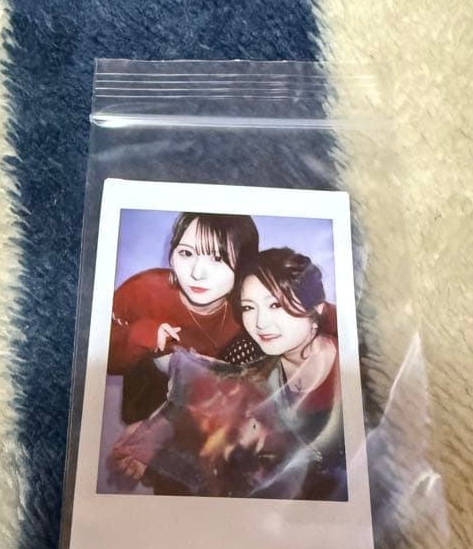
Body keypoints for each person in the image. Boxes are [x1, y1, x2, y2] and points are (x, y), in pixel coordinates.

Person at [110, 248, 347, 501]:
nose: (260, 323)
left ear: (316, 308)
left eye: (275, 305)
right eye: (248, 307)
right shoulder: (247, 354)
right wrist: (150, 437)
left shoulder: (355, 366)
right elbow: (204, 404)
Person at [108, 212, 259, 423]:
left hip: (213, 421)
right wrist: (142, 334)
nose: (197, 273)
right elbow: (100, 356)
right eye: (186, 253)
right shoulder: (142, 290)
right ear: (172, 254)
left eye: (217, 258)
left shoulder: (251, 307)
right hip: (146, 413)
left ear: (245, 265)